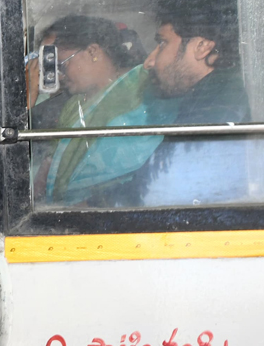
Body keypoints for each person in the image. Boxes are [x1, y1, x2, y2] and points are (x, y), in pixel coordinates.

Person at [112, 0, 264, 207]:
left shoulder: (215, 109)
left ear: (202, 47)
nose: (149, 61)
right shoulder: (222, 93)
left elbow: (159, 195)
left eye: (162, 43)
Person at [38, 15, 168, 204]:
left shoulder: (143, 87)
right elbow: (49, 165)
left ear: (92, 52)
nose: (58, 75)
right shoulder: (73, 105)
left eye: (61, 64)